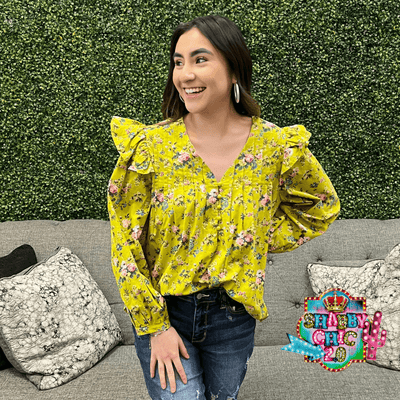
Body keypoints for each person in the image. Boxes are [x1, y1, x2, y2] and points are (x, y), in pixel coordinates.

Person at [107, 15, 340, 400]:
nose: (185, 74)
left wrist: (252, 239)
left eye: (200, 59)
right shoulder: (150, 147)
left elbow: (321, 206)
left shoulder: (274, 146)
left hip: (234, 319)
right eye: (178, 62)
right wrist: (155, 327)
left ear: (234, 68)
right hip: (166, 312)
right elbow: (125, 242)